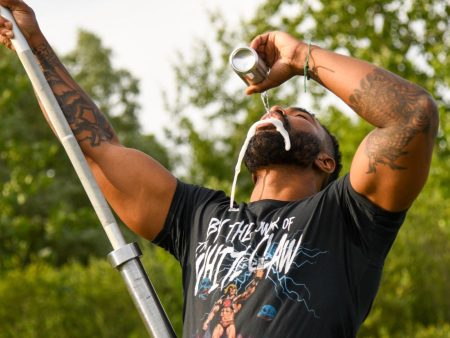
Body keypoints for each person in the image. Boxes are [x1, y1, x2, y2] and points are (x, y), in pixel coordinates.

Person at [0, 1, 439, 337]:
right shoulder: (198, 216)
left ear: (326, 160)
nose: (280, 108)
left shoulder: (347, 218)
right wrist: (33, 41)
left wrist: (302, 55)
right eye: (279, 109)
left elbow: (412, 115)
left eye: (300, 115)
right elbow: (94, 148)